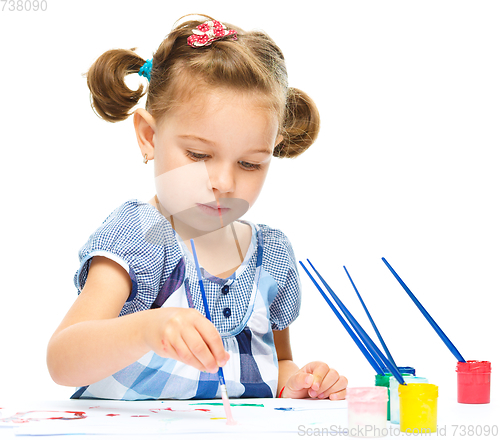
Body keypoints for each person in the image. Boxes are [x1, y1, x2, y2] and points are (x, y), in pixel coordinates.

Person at [47, 14, 347, 401]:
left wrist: (302, 381)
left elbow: (274, 364)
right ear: (149, 136)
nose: (223, 182)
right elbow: (62, 360)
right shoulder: (142, 236)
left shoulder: (271, 256)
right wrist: (146, 329)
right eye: (200, 154)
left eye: (250, 163)